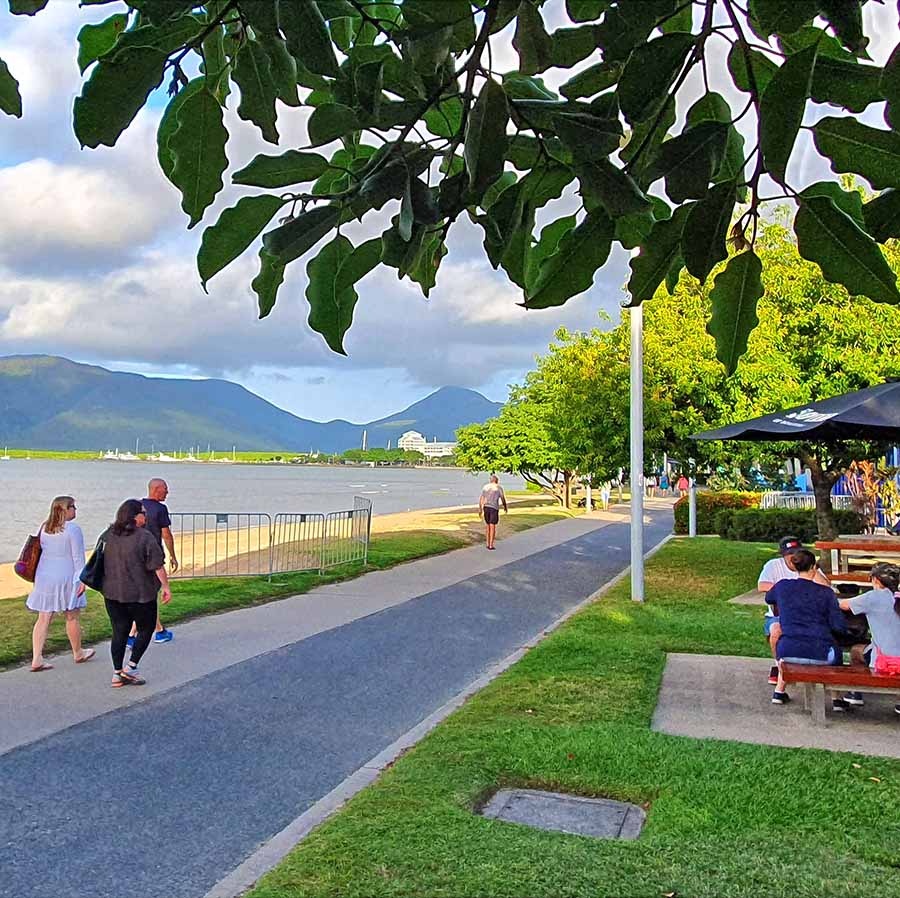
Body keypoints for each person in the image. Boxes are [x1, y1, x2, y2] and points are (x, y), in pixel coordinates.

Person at [99, 499, 171, 687]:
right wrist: (165, 587)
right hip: (141, 594)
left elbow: (98, 560)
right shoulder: (145, 537)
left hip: (113, 593)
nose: (146, 516)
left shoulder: (108, 535)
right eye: (143, 513)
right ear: (134, 516)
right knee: (146, 628)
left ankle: (117, 673)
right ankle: (131, 666)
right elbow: (157, 565)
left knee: (119, 631)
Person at [767, 548, 848, 708]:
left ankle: (779, 691)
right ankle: (836, 698)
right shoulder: (826, 593)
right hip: (821, 652)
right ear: (813, 567)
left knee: (793, 644)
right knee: (835, 651)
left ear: (794, 566)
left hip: (787, 652)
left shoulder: (783, 586)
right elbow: (839, 626)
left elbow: (769, 597)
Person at [25, 496, 95, 671]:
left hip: (44, 574)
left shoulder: (45, 527)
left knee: (44, 617)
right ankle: (78, 652)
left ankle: (37, 657)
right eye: (73, 507)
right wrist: (82, 579)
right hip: (66, 574)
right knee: (71, 615)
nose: (75, 510)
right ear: (65, 509)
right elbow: (78, 557)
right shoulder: (72, 529)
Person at [758, 536, 831, 685]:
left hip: (807, 615)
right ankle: (780, 666)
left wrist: (813, 570)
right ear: (783, 555)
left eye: (796, 554)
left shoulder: (809, 567)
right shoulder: (773, 565)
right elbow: (762, 586)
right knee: (776, 631)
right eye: (790, 554)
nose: (793, 558)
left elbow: (826, 587)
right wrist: (788, 592)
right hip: (779, 615)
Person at [839, 562, 900, 715]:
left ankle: (856, 692)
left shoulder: (874, 597)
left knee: (856, 651)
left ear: (876, 580)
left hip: (886, 661)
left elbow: (844, 605)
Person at [128, 477, 178, 645]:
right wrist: (172, 555)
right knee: (149, 594)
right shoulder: (160, 509)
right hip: (153, 555)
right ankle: (140, 632)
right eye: (165, 489)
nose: (167, 492)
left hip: (136, 555)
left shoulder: (137, 506)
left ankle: (154, 630)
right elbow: (166, 534)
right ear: (156, 489)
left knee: (146, 593)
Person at [479, 474, 508, 550]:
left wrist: (480, 508)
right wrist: (505, 506)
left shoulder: (485, 487)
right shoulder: (499, 488)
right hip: (494, 508)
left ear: (491, 480)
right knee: (492, 526)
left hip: (486, 507)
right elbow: (502, 498)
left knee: (488, 525)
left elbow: (482, 498)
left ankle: (487, 543)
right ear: (497, 481)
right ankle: (491, 545)